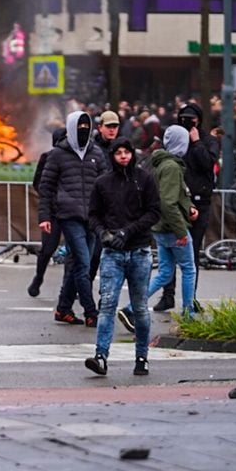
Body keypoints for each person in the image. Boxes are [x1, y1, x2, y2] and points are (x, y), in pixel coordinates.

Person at [84, 138, 161, 377]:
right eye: (118, 153)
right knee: (107, 305)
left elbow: (154, 212)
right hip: (112, 253)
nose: (123, 156)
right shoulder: (102, 183)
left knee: (139, 307)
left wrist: (127, 232)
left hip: (139, 250)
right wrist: (103, 234)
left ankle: (142, 357)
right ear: (112, 156)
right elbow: (93, 215)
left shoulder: (144, 179)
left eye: (127, 152)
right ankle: (101, 356)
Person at [38, 111, 107, 327]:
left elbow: (106, 184)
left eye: (87, 127)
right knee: (83, 264)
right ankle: (91, 311)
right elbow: (46, 187)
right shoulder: (58, 155)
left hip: (93, 218)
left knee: (78, 264)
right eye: (80, 127)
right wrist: (45, 216)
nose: (84, 131)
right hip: (69, 217)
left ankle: (63, 308)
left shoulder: (96, 152)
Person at [157, 102, 218, 313]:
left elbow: (208, 164)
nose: (186, 121)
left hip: (200, 202)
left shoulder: (208, 141)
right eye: (183, 117)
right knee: (170, 254)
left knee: (191, 256)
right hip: (178, 202)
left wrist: (197, 142)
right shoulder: (176, 137)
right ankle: (168, 295)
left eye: (191, 118)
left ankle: (190, 299)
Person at [133, 125, 198, 322]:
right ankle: (189, 314)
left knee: (164, 273)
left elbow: (171, 195)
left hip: (160, 227)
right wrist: (181, 232)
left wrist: (189, 207)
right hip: (172, 228)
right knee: (188, 269)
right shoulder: (172, 167)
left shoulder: (160, 164)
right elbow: (169, 202)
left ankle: (131, 307)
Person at [27, 127, 67, 298]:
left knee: (75, 254)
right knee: (48, 249)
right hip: (53, 211)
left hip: (73, 211)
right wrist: (51, 198)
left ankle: (71, 287)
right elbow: (38, 183)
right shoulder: (48, 158)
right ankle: (39, 277)